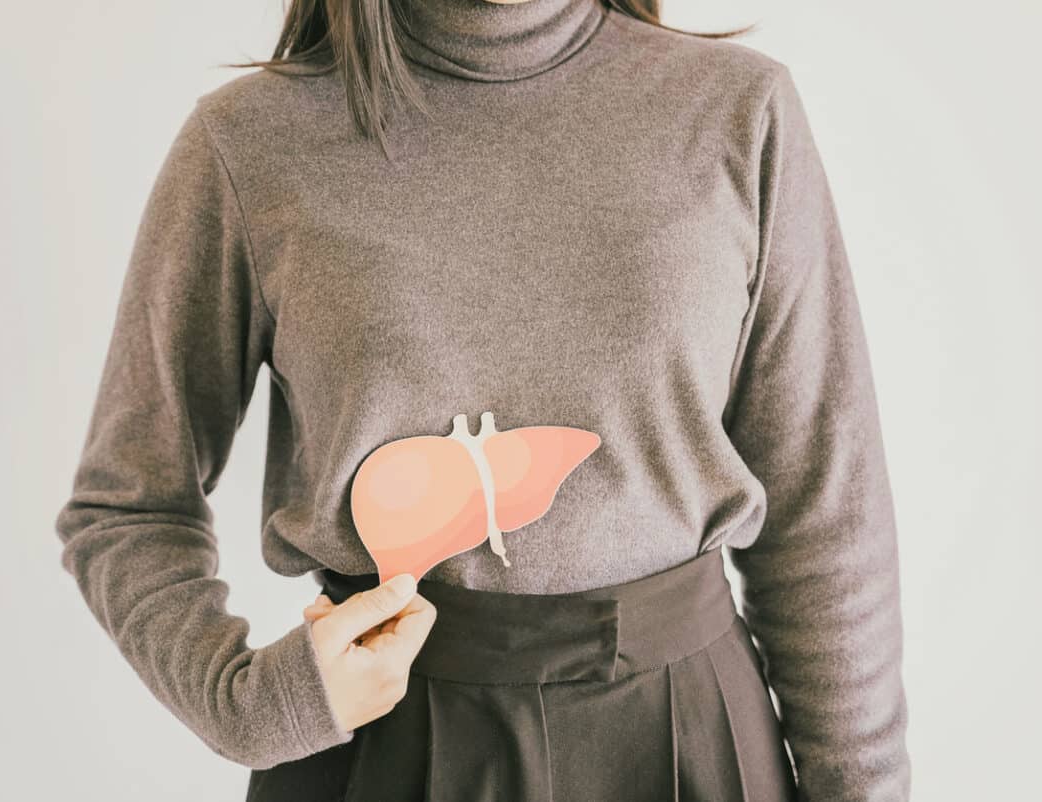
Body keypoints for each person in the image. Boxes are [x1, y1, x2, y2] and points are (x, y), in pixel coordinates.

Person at [54, 0, 912, 798]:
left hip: (688, 739)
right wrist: (246, 702)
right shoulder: (248, 142)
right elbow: (124, 505)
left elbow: (824, 514)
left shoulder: (738, 109)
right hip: (381, 746)